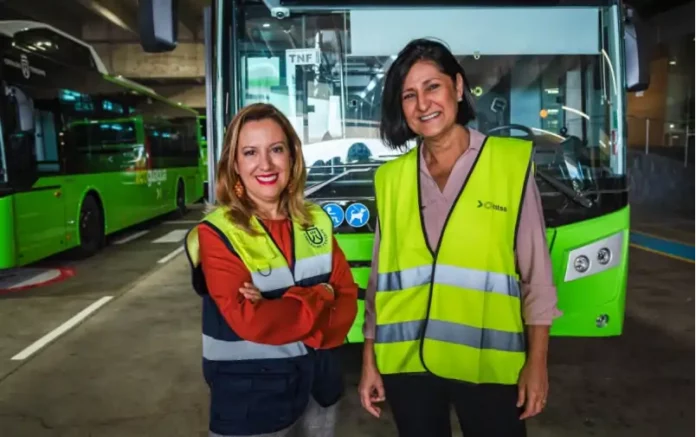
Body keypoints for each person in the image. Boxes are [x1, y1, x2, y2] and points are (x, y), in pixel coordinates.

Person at [358, 38, 562, 437]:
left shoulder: (507, 164)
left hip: (487, 364)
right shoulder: (390, 179)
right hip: (407, 364)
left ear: (457, 86)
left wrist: (537, 363)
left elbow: (536, 275)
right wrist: (370, 360)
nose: (423, 104)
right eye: (409, 95)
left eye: (432, 87)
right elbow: (379, 283)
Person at [185, 103, 358, 437]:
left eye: (276, 149)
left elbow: (347, 304)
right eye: (250, 152)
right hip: (251, 404)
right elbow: (252, 322)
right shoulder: (217, 232)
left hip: (319, 391)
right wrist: (323, 294)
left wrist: (279, 305)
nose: (265, 164)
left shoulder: (316, 221)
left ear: (292, 156)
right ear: (234, 164)